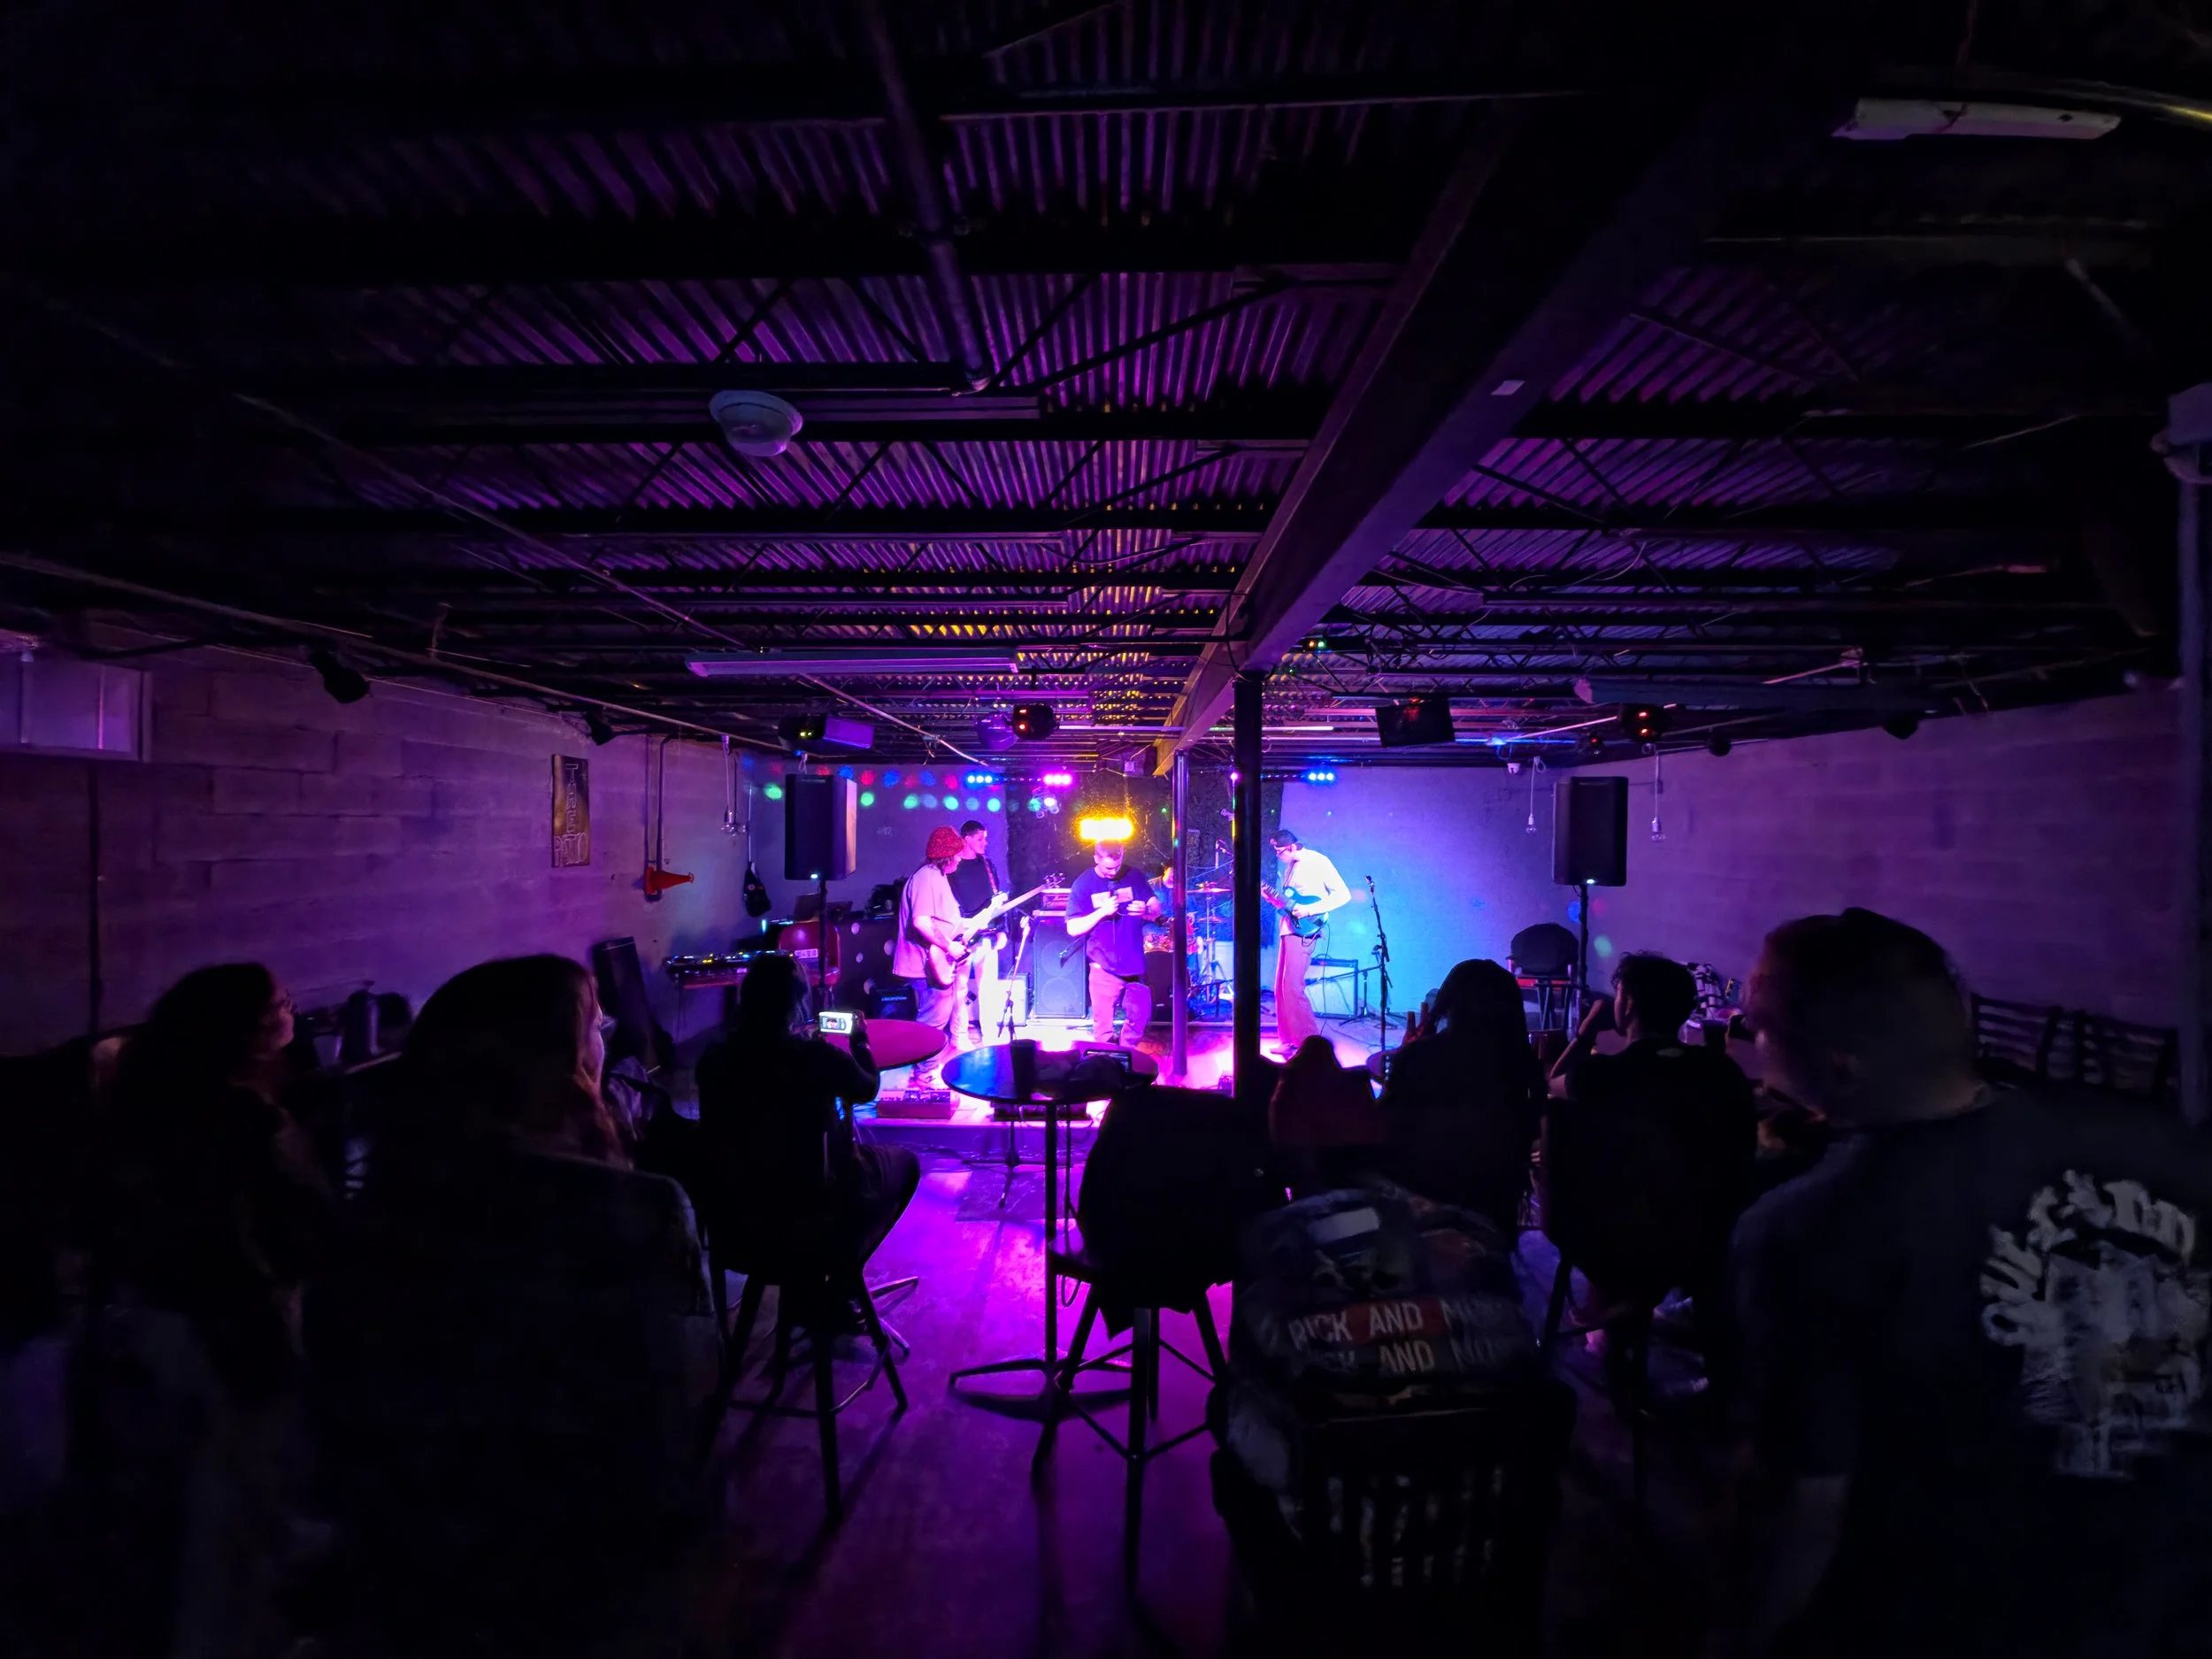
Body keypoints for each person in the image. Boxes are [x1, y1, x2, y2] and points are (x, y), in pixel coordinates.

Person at [1717, 910, 2212, 1659]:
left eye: (1758, 1026)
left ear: (1838, 1065)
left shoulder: (1808, 1231)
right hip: (2173, 1604)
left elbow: (1802, 1505)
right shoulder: (2161, 1140)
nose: (1751, 1042)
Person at [315, 955, 717, 1655]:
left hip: (418, 1589)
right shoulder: (635, 1211)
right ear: (556, 1062)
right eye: (597, 1024)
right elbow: (674, 1424)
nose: (608, 1034)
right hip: (584, 1585)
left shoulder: (367, 1224)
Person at [81, 963, 332, 1659]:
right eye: (278, 1001)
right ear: (246, 1032)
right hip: (235, 1328)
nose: (291, 1006)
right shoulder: (250, 1120)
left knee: (175, 1510)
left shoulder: (139, 1100)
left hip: (146, 1322)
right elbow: (305, 1229)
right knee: (234, 1522)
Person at [1545, 953, 1755, 1321]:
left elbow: (1553, 1082)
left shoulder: (1604, 1076)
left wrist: (1587, 1032)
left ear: (1624, 1005)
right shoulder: (1722, 1072)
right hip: (1708, 1237)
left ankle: (1608, 1312)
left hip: (1618, 1237)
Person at [694, 954, 920, 1272]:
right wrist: (860, 1044)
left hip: (736, 1226)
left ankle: (810, 1292)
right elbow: (867, 1087)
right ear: (797, 1001)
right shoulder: (816, 1056)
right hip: (810, 1219)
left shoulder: (714, 1058)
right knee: (907, 1164)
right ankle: (841, 1276)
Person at [1376, 958, 1542, 1232]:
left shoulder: (1418, 1058)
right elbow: (1528, 1138)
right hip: (1493, 1205)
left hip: (1419, 1201)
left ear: (1450, 1004)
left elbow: (1383, 1128)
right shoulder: (1521, 1068)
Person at [1064, 838, 1163, 1046]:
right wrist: (1102, 912)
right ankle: (1107, 1063)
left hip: (1134, 964)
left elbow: (1156, 907)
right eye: (1108, 867)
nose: (1112, 872)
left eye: (1116, 866)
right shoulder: (1083, 884)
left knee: (1140, 1016)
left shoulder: (1134, 876)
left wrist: (1147, 911)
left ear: (1122, 855)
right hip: (1103, 966)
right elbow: (1072, 928)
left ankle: (1126, 1056)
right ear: (1096, 858)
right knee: (1103, 1030)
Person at [1266, 827, 1349, 1056]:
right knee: (1280, 989)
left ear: (1292, 846)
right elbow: (1291, 905)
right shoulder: (1292, 866)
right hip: (1289, 929)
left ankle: (1308, 1045)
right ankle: (1289, 1040)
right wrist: (1274, 899)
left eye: (1279, 851)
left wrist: (1311, 909)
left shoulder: (1317, 861)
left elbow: (1343, 894)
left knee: (1293, 988)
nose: (1277, 856)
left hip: (1304, 933)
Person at [891, 826, 968, 1057]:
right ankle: (924, 1074)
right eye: (958, 854)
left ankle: (927, 1069)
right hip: (925, 966)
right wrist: (950, 947)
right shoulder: (926, 877)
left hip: (935, 964)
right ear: (948, 856)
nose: (960, 859)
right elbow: (921, 922)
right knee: (932, 1021)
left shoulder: (938, 876)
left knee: (937, 1018)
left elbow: (941, 919)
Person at [948, 818, 1012, 1048]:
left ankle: (990, 1035)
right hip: (962, 937)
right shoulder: (953, 868)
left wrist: (1003, 929)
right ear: (966, 840)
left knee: (988, 987)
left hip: (987, 936)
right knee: (960, 989)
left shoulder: (987, 865)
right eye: (980, 839)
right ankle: (959, 1036)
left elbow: (996, 900)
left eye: (985, 838)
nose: (985, 843)